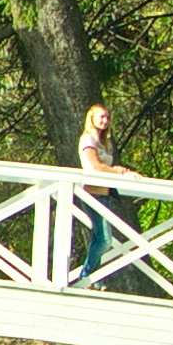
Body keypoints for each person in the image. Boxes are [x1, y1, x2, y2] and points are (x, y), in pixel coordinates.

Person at [73, 102, 135, 284]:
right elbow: (96, 166)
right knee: (104, 239)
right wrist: (120, 171)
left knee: (99, 238)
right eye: (101, 116)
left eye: (107, 117)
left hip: (105, 193)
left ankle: (95, 281)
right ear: (91, 118)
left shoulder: (105, 142)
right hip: (92, 193)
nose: (105, 120)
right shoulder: (87, 139)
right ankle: (85, 277)